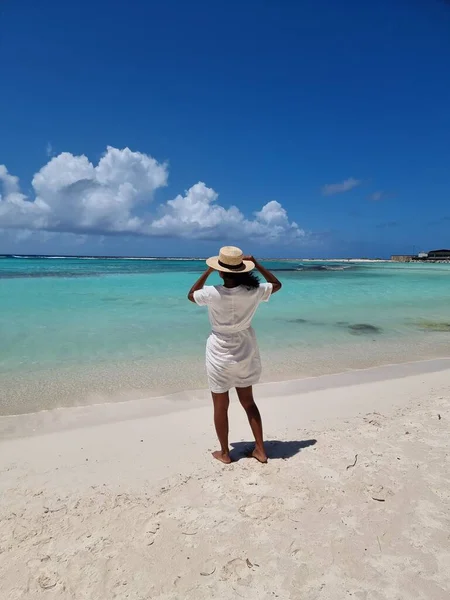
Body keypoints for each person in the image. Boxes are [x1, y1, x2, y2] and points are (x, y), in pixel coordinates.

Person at [188, 246, 282, 464]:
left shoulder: (212, 293)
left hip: (219, 352)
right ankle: (260, 449)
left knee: (221, 405)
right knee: (248, 402)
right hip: (245, 349)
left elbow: (191, 295)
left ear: (220, 270)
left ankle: (224, 453)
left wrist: (207, 271)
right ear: (241, 270)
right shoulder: (253, 291)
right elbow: (277, 285)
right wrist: (258, 264)